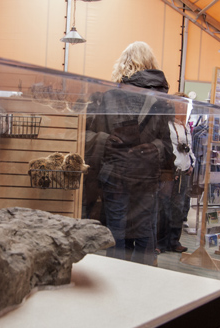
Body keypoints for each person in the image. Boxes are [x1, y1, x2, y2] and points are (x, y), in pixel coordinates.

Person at [86, 41, 174, 265]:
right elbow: (166, 144)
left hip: (117, 175)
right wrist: (152, 148)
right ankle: (141, 286)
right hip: (145, 176)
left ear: (123, 63)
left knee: (117, 231)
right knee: (144, 231)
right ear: (150, 63)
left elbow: (89, 134)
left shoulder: (108, 97)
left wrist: (107, 142)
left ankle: (116, 282)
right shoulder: (161, 99)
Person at [157, 92, 194, 254]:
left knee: (178, 208)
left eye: (185, 105)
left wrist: (192, 162)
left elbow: (189, 149)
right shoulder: (166, 124)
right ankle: (160, 242)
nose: (183, 108)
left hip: (183, 173)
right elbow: (166, 148)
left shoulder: (185, 127)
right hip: (169, 172)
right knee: (163, 206)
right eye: (180, 104)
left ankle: (174, 241)